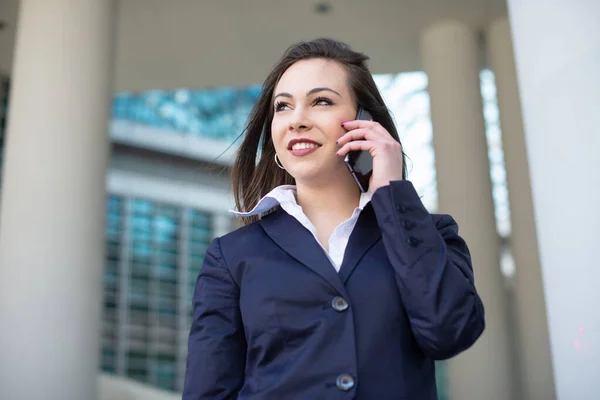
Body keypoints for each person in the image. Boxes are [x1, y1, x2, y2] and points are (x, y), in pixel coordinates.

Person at [183, 38, 485, 399]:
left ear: (365, 121)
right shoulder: (231, 258)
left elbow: (451, 330)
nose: (296, 120)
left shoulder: (428, 234)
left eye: (321, 101)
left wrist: (391, 192)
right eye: (283, 106)